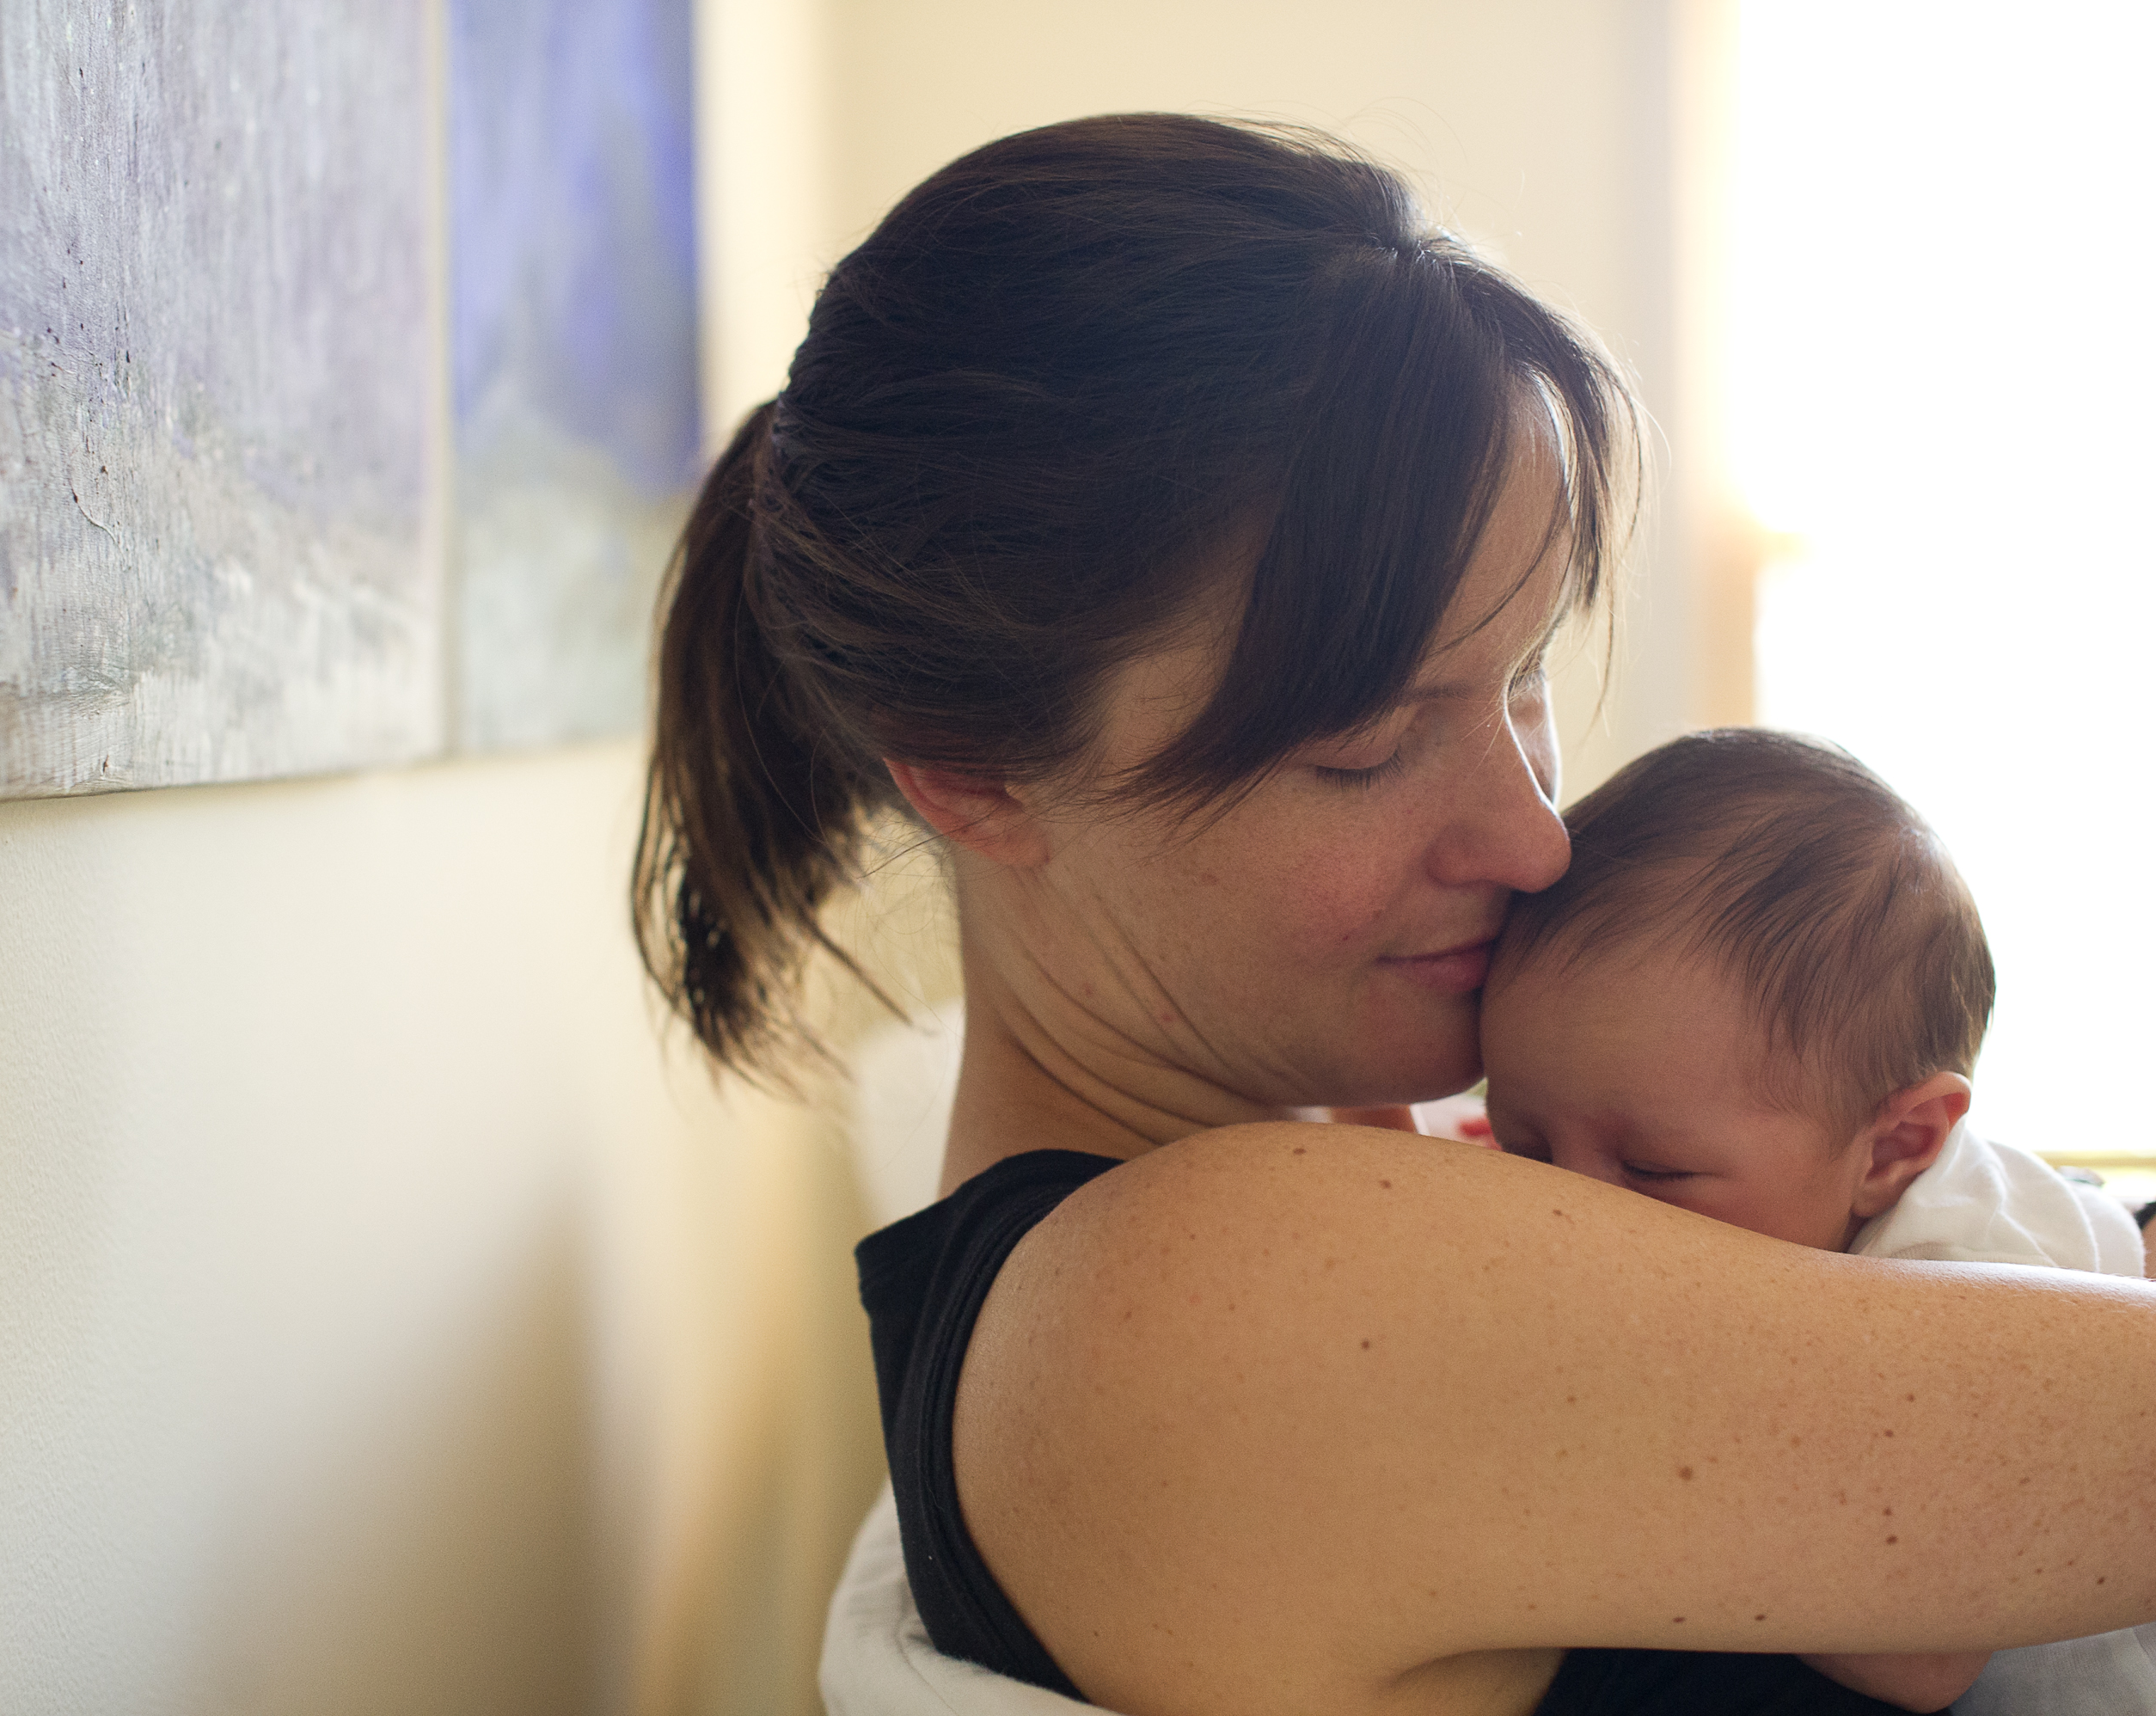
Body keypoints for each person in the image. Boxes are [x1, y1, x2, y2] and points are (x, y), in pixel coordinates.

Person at [634, 113, 2156, 1715]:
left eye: (1524, 676)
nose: (1535, 836)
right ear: (974, 777)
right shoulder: (1203, 1299)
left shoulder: (1338, 1196)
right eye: (1361, 748)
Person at [1479, 727, 2149, 1712]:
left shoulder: (1963, 1267)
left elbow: (1921, 1661)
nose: (1569, 1214)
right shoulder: (1746, 1175)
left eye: (1657, 1168)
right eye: (1525, 1146)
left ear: (1893, 1149)